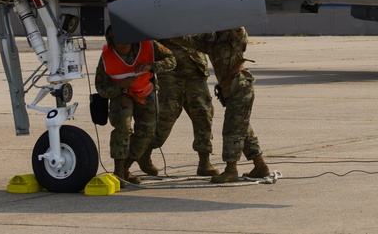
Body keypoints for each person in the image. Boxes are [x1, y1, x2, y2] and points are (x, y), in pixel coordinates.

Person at [173, 28, 271, 183]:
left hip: (240, 87)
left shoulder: (234, 35)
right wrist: (168, 30)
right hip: (230, 89)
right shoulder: (210, 39)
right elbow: (186, 41)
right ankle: (260, 166)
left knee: (232, 130)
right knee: (243, 129)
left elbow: (238, 28)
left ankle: (231, 170)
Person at [95, 26, 176, 184]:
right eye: (120, 42)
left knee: (147, 131)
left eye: (127, 41)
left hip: (146, 93)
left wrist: (152, 67)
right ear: (111, 42)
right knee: (123, 128)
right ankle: (119, 171)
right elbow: (101, 88)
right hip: (122, 96)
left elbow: (172, 60)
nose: (124, 45)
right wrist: (120, 86)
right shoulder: (106, 57)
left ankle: (127, 166)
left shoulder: (149, 45)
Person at [150, 37, 219, 176]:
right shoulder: (159, 18)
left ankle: (204, 161)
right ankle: (144, 153)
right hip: (171, 72)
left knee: (203, 114)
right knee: (166, 116)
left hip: (196, 71)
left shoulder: (193, 17)